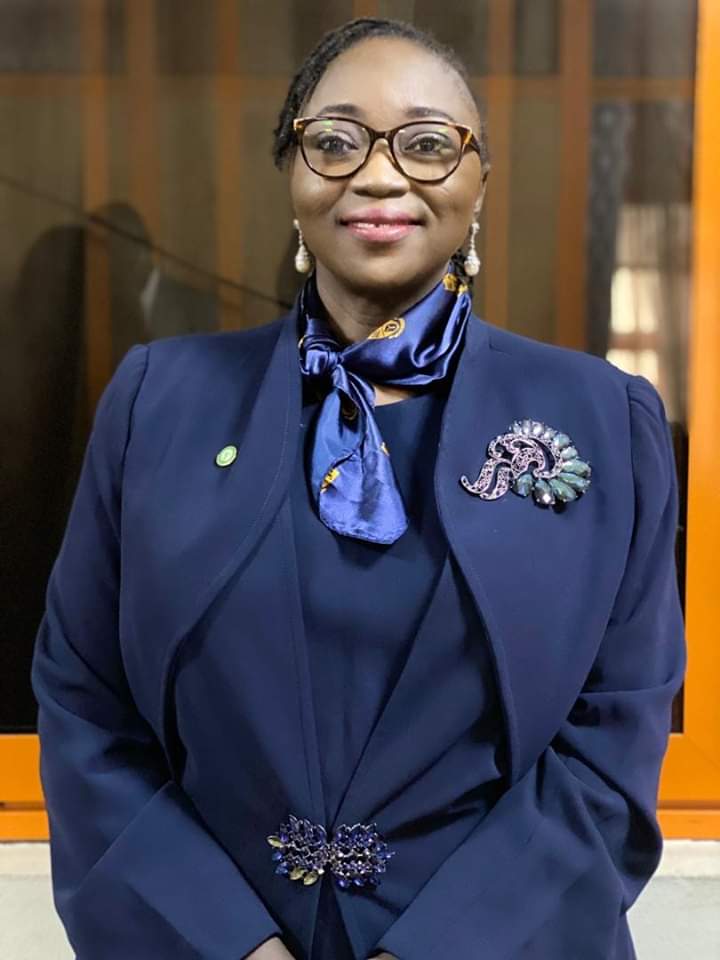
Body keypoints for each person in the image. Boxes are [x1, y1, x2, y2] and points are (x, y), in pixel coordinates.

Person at [31, 17, 686, 960]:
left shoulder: (604, 420)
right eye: (335, 141)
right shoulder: (156, 402)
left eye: (427, 144)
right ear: (292, 177)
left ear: (479, 182)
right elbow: (84, 703)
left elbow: (613, 738)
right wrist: (227, 944)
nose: (378, 175)